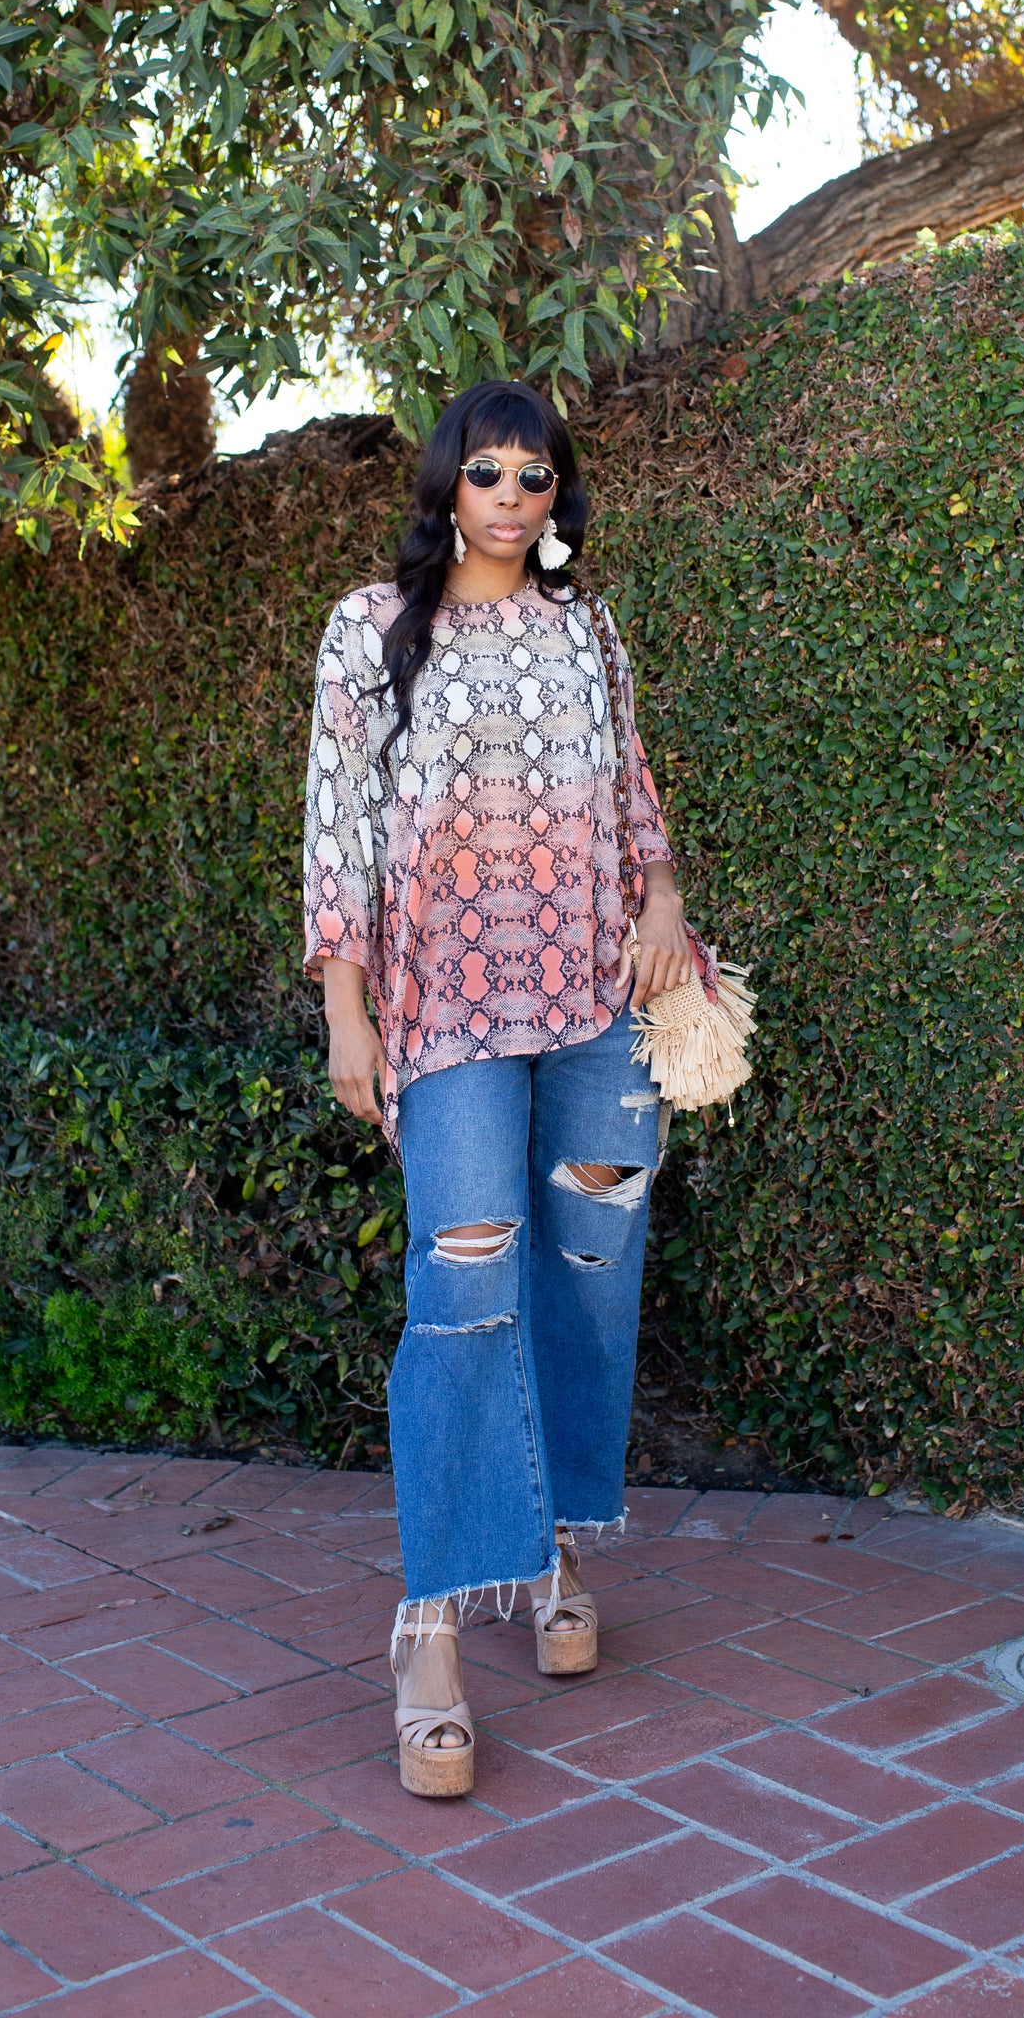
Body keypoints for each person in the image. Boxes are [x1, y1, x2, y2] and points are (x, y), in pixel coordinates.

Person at [301, 379, 716, 1796]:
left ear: (556, 501)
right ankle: (427, 1628)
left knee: (587, 1267)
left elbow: (633, 792)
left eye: (535, 478)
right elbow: (335, 827)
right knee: (464, 1283)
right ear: (445, 486)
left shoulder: (585, 630)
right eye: (486, 472)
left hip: (600, 1000)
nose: (511, 496)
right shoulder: (370, 630)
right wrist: (347, 1011)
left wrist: (660, 904)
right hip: (448, 1013)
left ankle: (546, 1554)